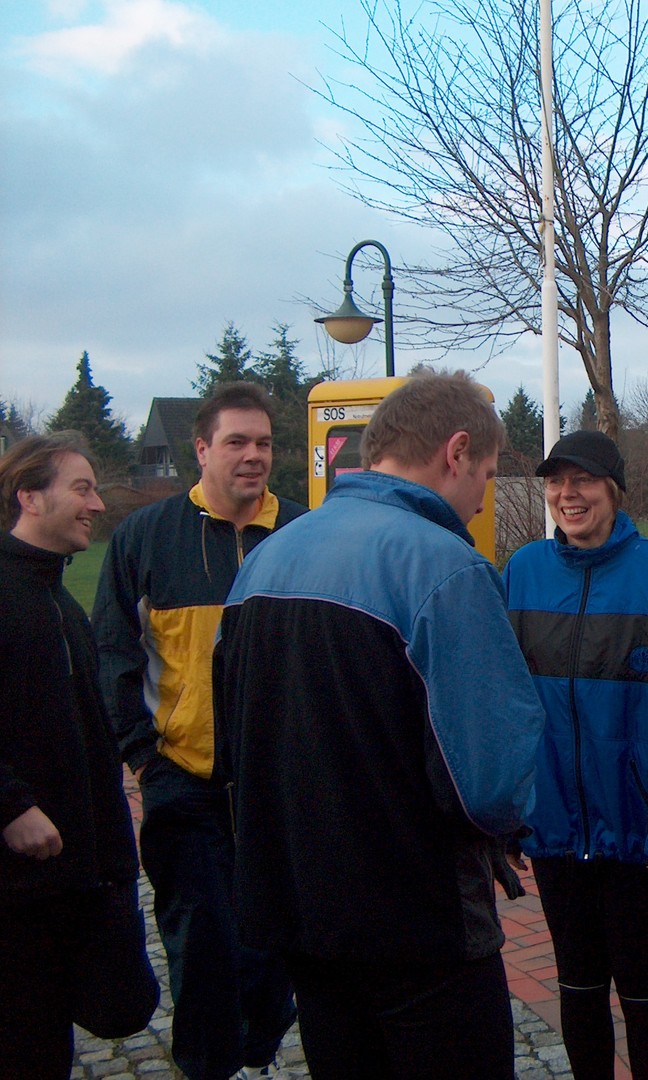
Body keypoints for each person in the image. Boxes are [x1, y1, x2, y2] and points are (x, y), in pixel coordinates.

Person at [213, 370, 546, 1080]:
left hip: (299, 911)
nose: (481, 497)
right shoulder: (444, 567)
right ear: (456, 451)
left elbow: (233, 736)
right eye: (487, 475)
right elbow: (489, 781)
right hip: (417, 921)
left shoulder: (265, 558)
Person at [92, 382, 303, 1080]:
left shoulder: (302, 534)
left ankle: (261, 1043)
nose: (253, 455)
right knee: (201, 946)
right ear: (202, 448)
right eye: (236, 442)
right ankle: (207, 1064)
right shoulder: (146, 537)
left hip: (278, 787)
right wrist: (142, 756)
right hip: (184, 780)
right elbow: (112, 652)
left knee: (276, 943)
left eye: (263, 442)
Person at [502, 429, 648, 1080]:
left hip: (637, 832)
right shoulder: (522, 572)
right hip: (555, 829)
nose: (568, 494)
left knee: (641, 983)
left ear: (613, 490)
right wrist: (508, 811)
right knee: (577, 983)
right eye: (556, 482)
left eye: (583, 480)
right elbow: (502, 704)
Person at [0, 433, 143, 1080]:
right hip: (15, 890)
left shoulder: (57, 599)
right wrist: (11, 805)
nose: (97, 504)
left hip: (66, 884)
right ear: (30, 497)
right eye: (81, 488)